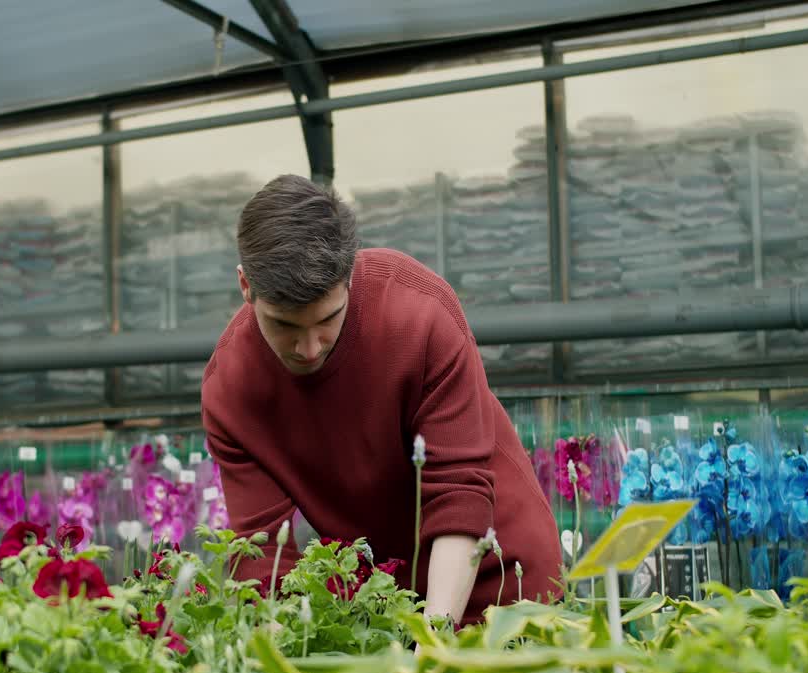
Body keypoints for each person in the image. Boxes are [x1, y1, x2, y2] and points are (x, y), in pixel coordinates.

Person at [201, 174, 561, 624]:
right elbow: (260, 554)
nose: (309, 348)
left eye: (327, 320)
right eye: (285, 327)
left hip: (506, 580)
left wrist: (431, 641)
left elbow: (458, 493)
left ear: (350, 275)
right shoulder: (230, 389)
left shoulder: (419, 316)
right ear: (245, 286)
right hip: (387, 602)